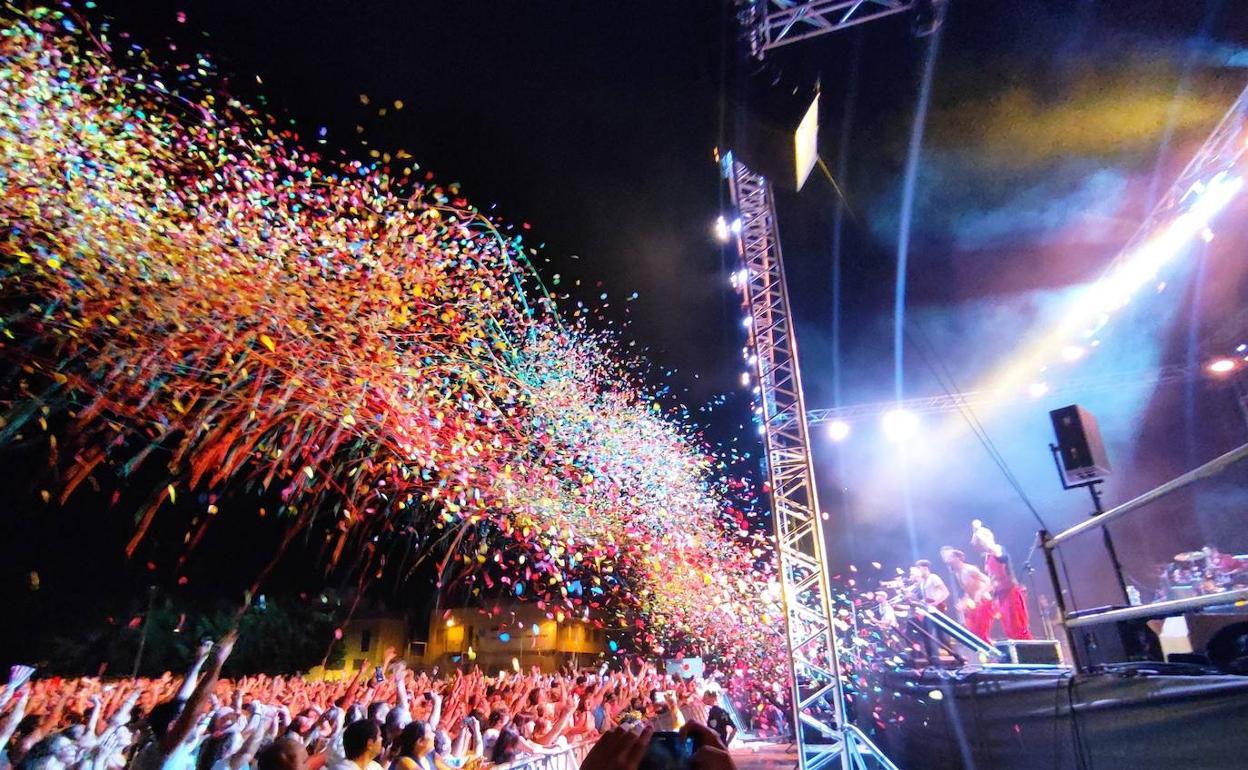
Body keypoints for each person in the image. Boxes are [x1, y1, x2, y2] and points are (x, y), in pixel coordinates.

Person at [971, 520, 1032, 640]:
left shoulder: (998, 550)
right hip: (1001, 596)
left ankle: (1033, 656)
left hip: (1011, 593)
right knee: (1009, 630)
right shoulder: (987, 557)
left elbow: (989, 545)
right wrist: (981, 592)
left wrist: (977, 530)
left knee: (1018, 628)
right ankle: (1019, 656)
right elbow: (992, 578)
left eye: (980, 542)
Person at [940, 547, 994, 642]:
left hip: (984, 602)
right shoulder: (957, 573)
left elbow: (989, 581)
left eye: (948, 556)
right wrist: (964, 602)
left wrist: (979, 593)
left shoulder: (969, 569)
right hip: (974, 606)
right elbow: (968, 590)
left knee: (981, 634)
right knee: (973, 633)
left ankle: (994, 655)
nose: (946, 559)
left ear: (956, 557)